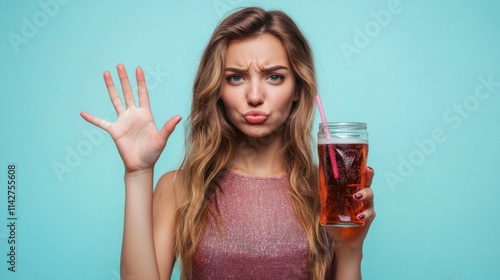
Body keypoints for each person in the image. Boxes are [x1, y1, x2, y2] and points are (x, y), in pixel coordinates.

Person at [80, 7, 375, 280]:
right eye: (236, 78)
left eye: (274, 77)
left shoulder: (331, 192)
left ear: (297, 87)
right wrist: (138, 174)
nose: (255, 96)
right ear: (217, 89)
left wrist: (350, 248)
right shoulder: (180, 188)